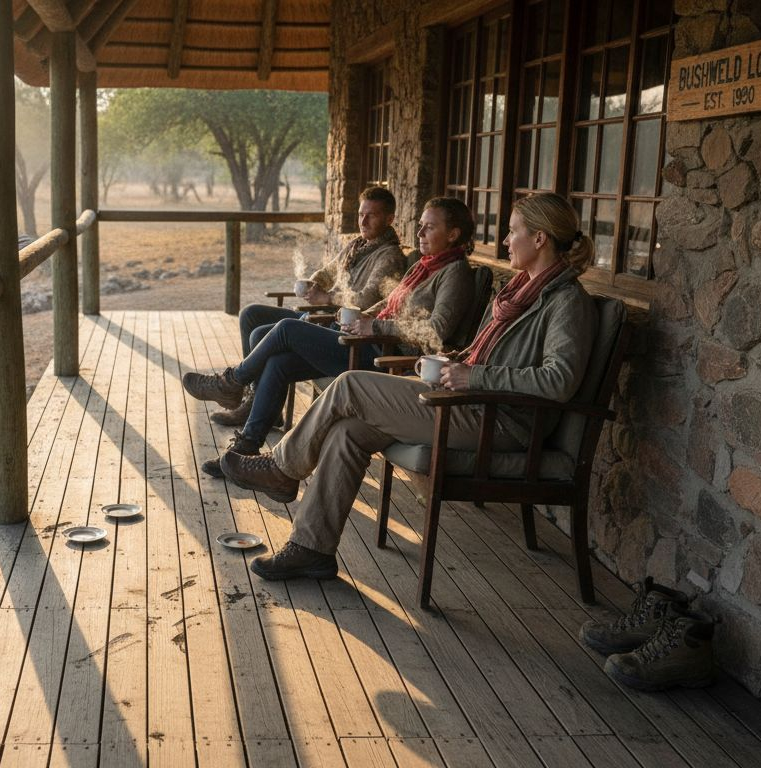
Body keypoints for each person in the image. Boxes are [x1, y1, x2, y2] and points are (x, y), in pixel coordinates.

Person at [219, 192, 598, 581]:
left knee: (350, 386)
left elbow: (559, 381)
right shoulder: (520, 290)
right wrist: (456, 361)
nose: (505, 241)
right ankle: (311, 548)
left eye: (513, 231)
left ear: (540, 239)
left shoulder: (566, 302)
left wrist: (474, 377)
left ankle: (282, 468)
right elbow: (481, 352)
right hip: (468, 400)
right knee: (349, 431)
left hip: (498, 419)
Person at [183, 197, 482, 478]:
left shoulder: (454, 273)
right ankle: (247, 444)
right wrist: (364, 317)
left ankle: (231, 382)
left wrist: (374, 328)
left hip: (384, 358)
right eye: (420, 225)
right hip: (365, 340)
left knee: (287, 328)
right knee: (279, 362)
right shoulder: (423, 265)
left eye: (430, 226)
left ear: (453, 234)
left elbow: (436, 330)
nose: (420, 232)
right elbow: (390, 304)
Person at [215, 186, 407, 427]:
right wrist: (313, 283)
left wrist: (327, 299)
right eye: (360, 214)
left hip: (339, 327)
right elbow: (329, 272)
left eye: (372, 215)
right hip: (323, 315)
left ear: (389, 219)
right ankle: (255, 401)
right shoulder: (357, 246)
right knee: (251, 315)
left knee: (261, 334)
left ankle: (246, 395)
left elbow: (366, 300)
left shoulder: (389, 256)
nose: (363, 221)